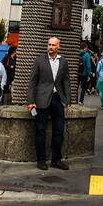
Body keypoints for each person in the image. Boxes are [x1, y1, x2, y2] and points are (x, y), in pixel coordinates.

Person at [26, 35, 71, 171]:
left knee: (59, 131)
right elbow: (32, 82)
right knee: (40, 130)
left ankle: (56, 160)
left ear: (58, 46)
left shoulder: (63, 61)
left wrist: (67, 101)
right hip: (41, 100)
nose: (50, 47)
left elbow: (66, 82)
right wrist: (31, 101)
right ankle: (41, 160)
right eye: (49, 44)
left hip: (58, 99)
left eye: (53, 45)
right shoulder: (39, 61)